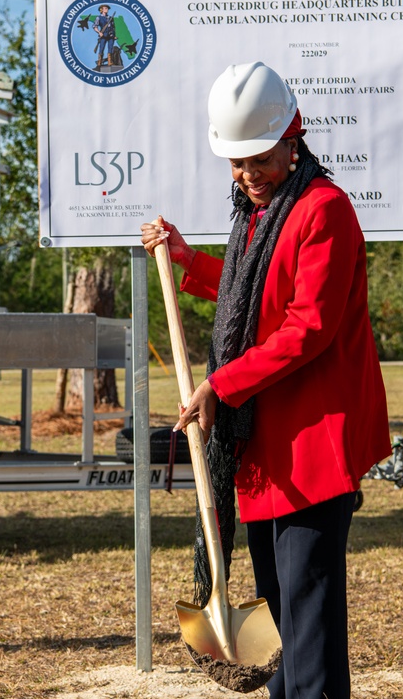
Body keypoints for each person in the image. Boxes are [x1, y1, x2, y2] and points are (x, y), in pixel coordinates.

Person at [141, 61, 390, 699]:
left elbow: (309, 325)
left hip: (313, 441)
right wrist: (187, 259)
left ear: (292, 140)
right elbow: (249, 294)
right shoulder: (260, 215)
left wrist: (221, 386)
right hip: (263, 444)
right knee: (281, 609)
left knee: (308, 613)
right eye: (236, 163)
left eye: (260, 159)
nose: (248, 174)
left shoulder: (324, 210)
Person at [93, 4, 116, 70]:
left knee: (110, 48)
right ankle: (99, 62)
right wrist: (99, 32)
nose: (107, 9)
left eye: (107, 8)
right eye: (105, 8)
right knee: (101, 48)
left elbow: (113, 27)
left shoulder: (110, 18)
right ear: (101, 9)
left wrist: (114, 36)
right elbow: (95, 26)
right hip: (103, 35)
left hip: (111, 35)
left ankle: (110, 62)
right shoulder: (98, 18)